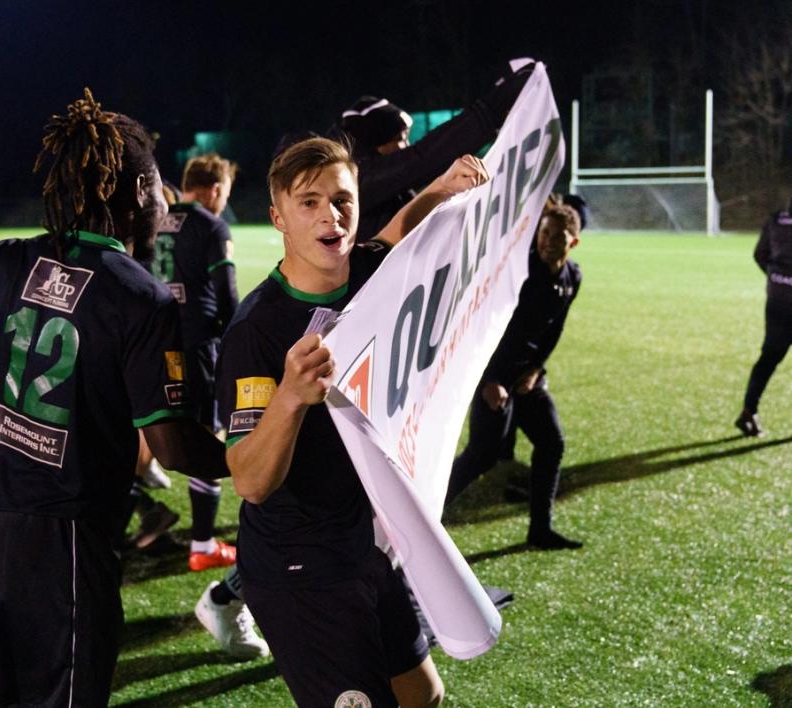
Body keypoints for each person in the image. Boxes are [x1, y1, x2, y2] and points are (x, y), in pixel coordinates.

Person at [0, 88, 230, 706]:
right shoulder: (141, 297)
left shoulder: (7, 262)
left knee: (20, 685)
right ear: (135, 195)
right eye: (155, 189)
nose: (161, 203)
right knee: (68, 692)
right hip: (65, 526)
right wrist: (250, 460)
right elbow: (172, 446)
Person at [220, 136, 488, 706]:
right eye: (309, 202)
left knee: (423, 696)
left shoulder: (366, 270)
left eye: (342, 200)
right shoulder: (257, 330)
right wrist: (290, 397)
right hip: (298, 567)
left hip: (358, 543)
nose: (330, 215)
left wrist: (441, 189)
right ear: (278, 218)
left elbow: (393, 237)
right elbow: (249, 480)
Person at [445, 203, 584, 551]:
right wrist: (492, 379)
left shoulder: (573, 277)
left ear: (574, 243)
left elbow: (554, 330)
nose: (548, 242)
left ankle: (540, 530)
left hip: (529, 376)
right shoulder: (518, 272)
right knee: (482, 454)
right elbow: (484, 326)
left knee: (552, 444)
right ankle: (421, 517)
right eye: (544, 234)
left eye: (557, 237)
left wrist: (536, 369)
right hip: (494, 373)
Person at [148, 153, 241, 571]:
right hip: (198, 345)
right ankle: (202, 545)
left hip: (153, 344)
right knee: (206, 435)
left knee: (154, 432)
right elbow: (227, 296)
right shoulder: (211, 226)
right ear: (216, 190)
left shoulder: (153, 218)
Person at [339, 62, 534, 242]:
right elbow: (425, 158)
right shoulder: (357, 181)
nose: (407, 146)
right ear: (377, 141)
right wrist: (492, 110)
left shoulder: (388, 189)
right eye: (400, 138)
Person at [736, 201, 792, 436]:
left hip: (778, 299)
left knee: (769, 356)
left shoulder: (777, 219)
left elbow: (760, 254)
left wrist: (776, 277)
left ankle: (749, 411)